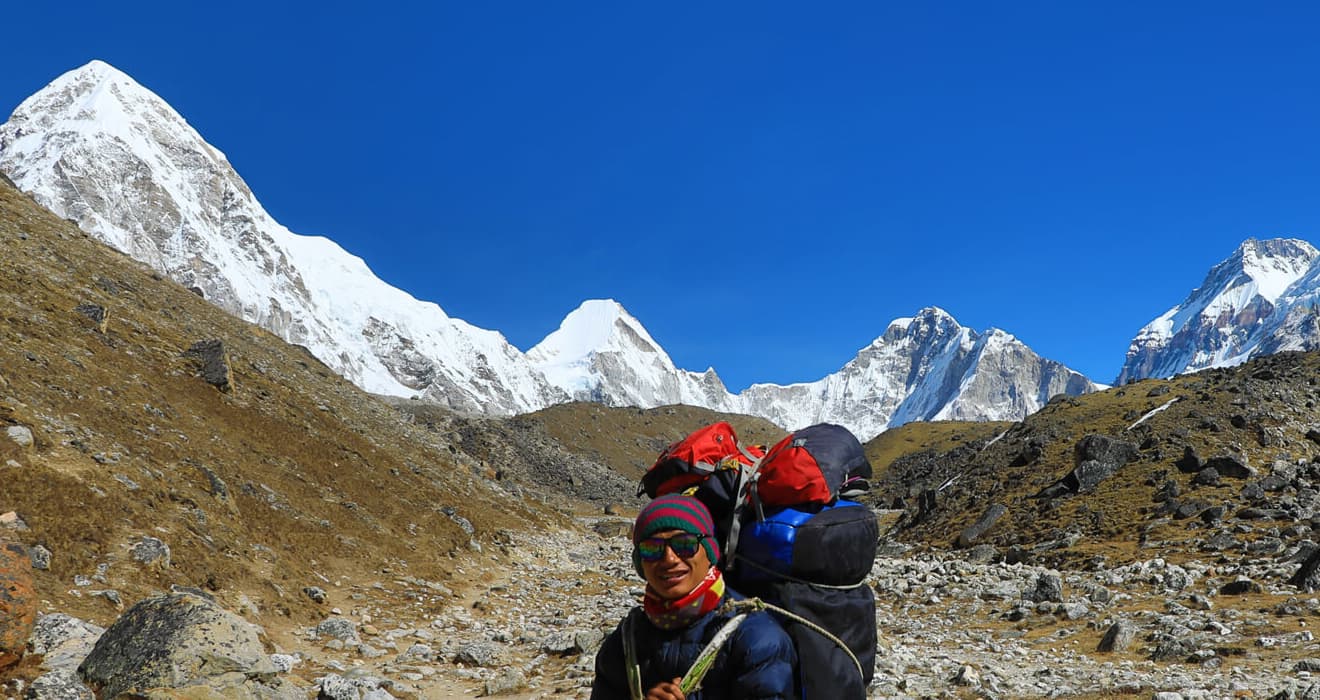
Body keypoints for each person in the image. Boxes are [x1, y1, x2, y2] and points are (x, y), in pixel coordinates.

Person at [591, 494, 797, 700]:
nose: (669, 559)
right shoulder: (626, 641)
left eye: (684, 544)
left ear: (710, 552)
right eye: (652, 548)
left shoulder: (757, 640)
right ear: (640, 564)